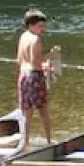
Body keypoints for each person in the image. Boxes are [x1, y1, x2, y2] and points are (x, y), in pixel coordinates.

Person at [16, 9, 55, 143]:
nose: (42, 29)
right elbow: (36, 62)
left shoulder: (23, 37)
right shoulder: (35, 39)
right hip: (35, 76)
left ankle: (25, 141)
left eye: (43, 26)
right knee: (43, 110)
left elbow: (20, 60)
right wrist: (50, 58)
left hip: (23, 75)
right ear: (30, 25)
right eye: (40, 26)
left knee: (27, 112)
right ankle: (50, 141)